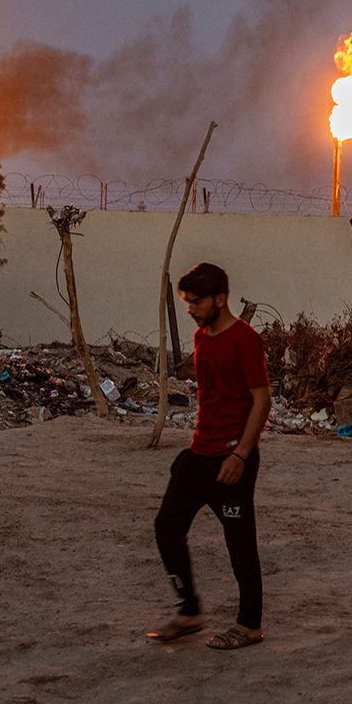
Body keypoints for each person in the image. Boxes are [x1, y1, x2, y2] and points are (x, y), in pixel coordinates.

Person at [147, 263, 272, 650]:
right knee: (167, 527)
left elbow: (261, 399)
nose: (191, 309)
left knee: (240, 544)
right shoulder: (202, 338)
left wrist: (241, 455)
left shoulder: (245, 340)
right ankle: (189, 611)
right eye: (187, 302)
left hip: (232, 460)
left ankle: (249, 625)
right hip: (199, 453)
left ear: (220, 299)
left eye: (197, 302)